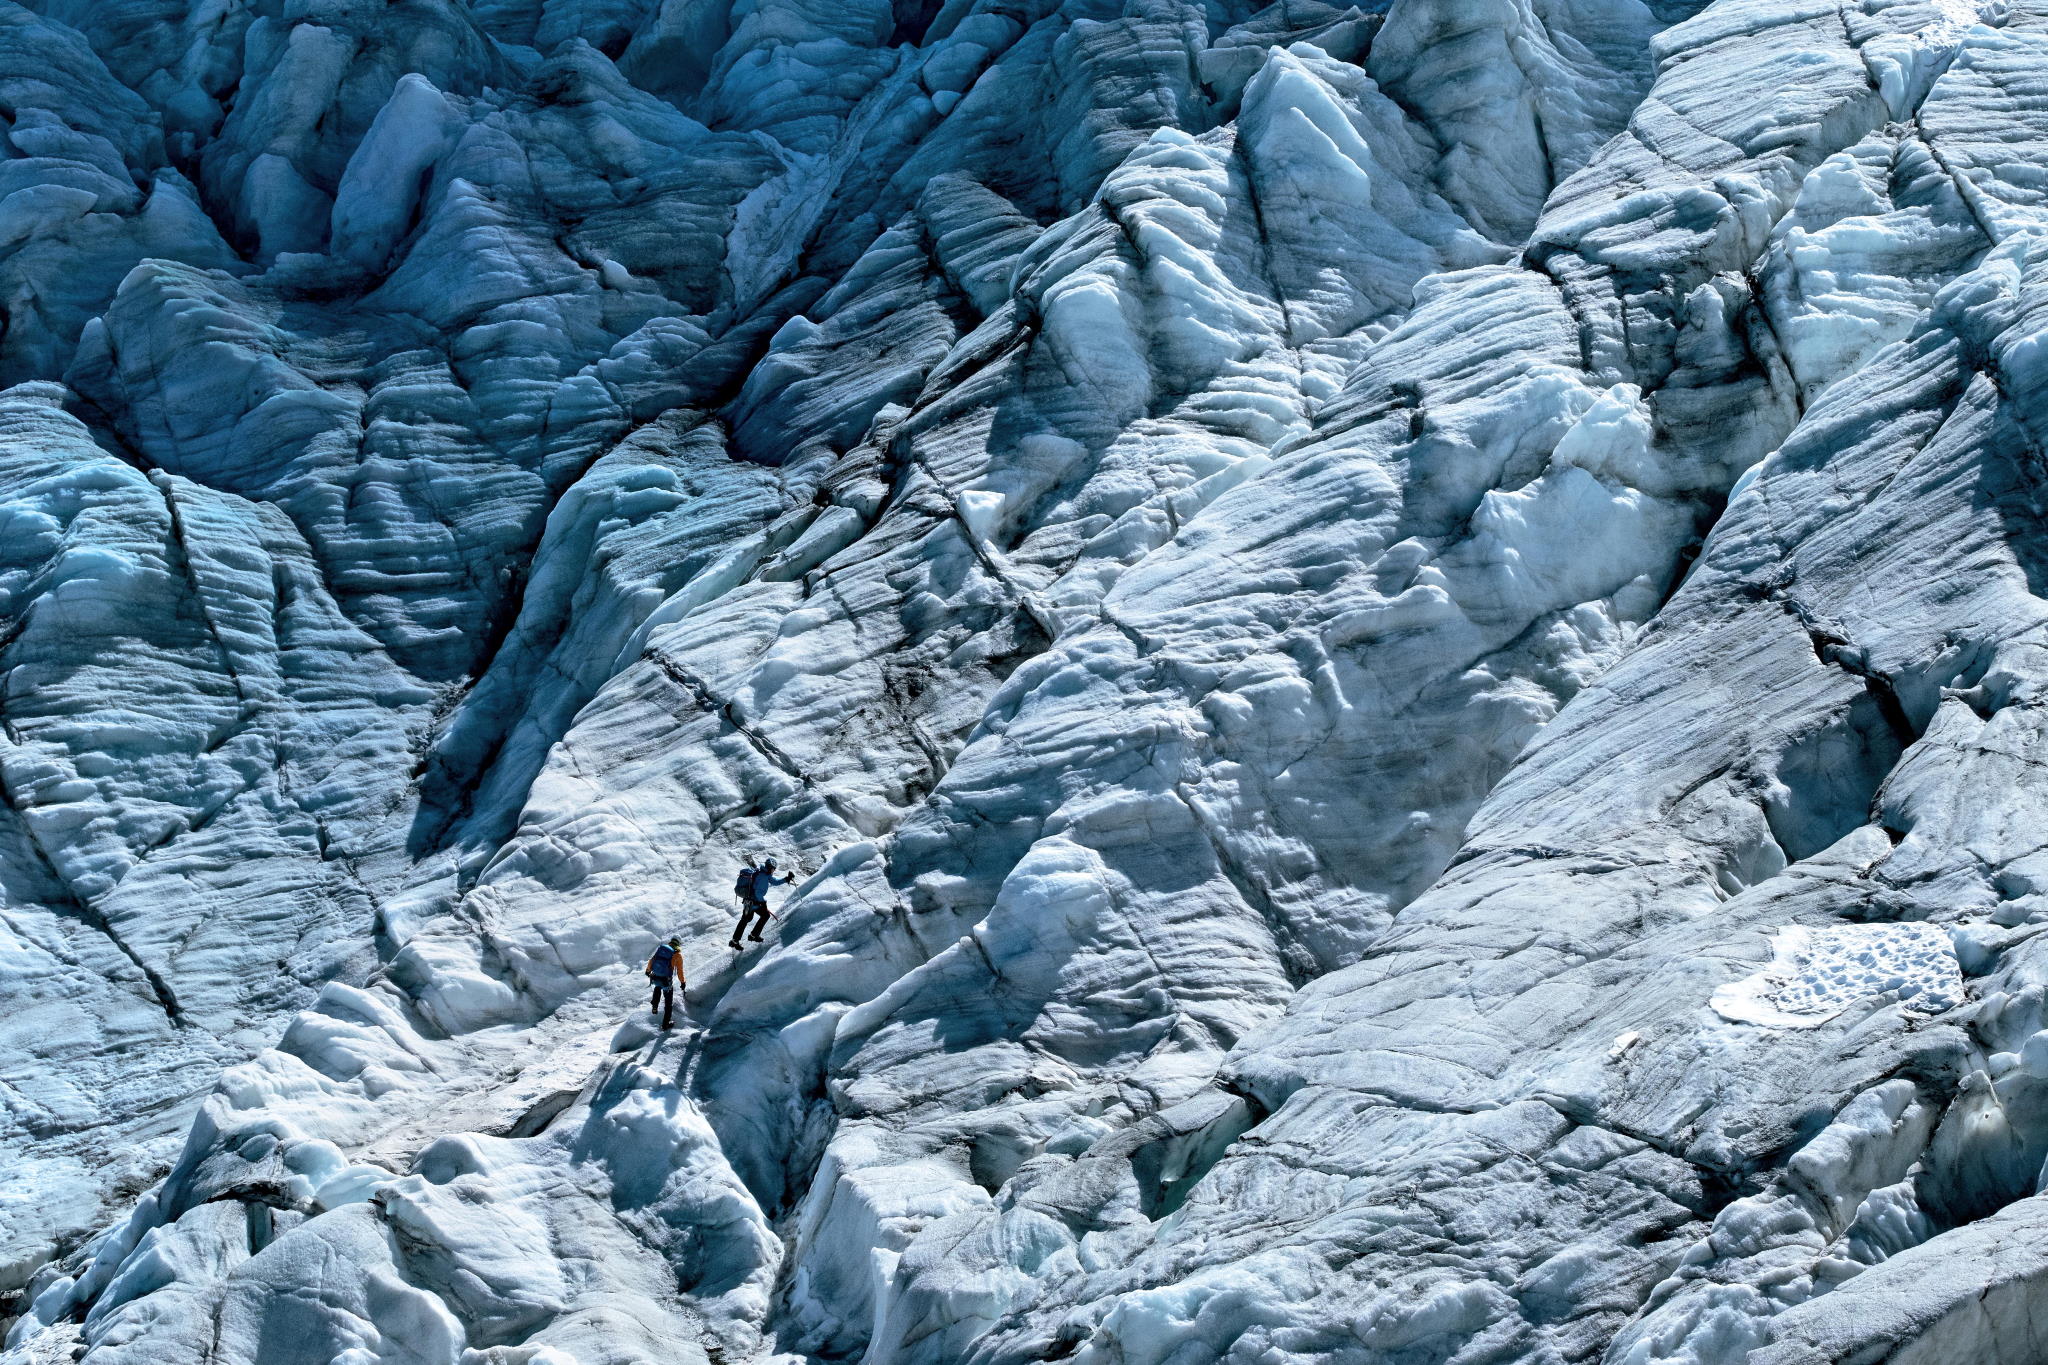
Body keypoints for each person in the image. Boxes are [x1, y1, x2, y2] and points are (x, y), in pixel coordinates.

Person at [730, 856, 795, 949]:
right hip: (754, 902)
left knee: (746, 920)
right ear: (770, 868)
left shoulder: (764, 874)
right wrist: (762, 902)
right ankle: (751, 936)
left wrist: (786, 879)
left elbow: (775, 881)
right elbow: (758, 893)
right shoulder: (763, 876)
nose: (774, 870)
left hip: (749, 901)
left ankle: (739, 940)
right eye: (773, 869)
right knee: (762, 916)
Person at [645, 935, 684, 1028]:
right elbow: (680, 970)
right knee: (668, 1002)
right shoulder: (677, 954)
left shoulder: (662, 949)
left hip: (655, 977)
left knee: (657, 986)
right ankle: (666, 1023)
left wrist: (648, 970)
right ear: (679, 943)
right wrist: (683, 982)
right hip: (666, 981)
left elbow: (652, 960)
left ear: (671, 941)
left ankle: (655, 1005)